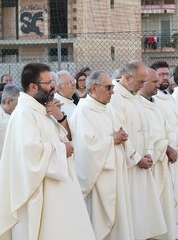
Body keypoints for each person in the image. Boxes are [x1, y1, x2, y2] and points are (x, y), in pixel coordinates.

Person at [0, 63, 96, 240]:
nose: (53, 86)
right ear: (33, 86)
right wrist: (60, 149)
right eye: (49, 82)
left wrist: (61, 118)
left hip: (58, 188)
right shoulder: (24, 114)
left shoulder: (45, 109)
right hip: (40, 191)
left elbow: (68, 139)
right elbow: (29, 154)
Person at [70, 71, 134, 240]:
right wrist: (112, 139)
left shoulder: (103, 109)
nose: (112, 91)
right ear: (94, 87)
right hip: (98, 182)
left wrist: (120, 136)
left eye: (112, 87)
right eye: (109, 87)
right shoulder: (83, 112)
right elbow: (85, 150)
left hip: (114, 176)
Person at [108, 60, 167, 239]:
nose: (142, 86)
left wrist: (149, 152)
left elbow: (146, 127)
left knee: (143, 212)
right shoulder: (115, 99)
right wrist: (136, 158)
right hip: (129, 166)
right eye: (140, 82)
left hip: (143, 161)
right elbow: (120, 132)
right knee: (131, 212)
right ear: (127, 77)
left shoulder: (134, 96)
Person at [139, 68, 177, 240]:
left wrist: (169, 145)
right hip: (152, 162)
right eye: (154, 82)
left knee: (166, 206)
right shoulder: (139, 105)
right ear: (143, 83)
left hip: (164, 161)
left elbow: (167, 128)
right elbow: (149, 135)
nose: (158, 84)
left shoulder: (157, 103)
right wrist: (166, 147)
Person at [150, 61, 178, 226]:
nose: (165, 78)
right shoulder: (152, 100)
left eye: (167, 74)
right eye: (161, 75)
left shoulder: (169, 97)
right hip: (164, 155)